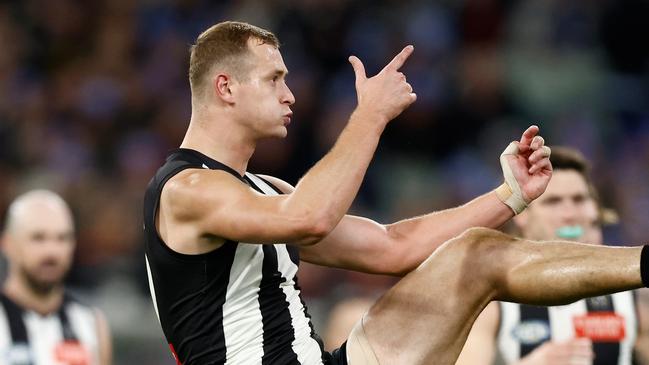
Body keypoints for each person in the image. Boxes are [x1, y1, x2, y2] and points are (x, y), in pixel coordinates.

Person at [143, 21, 649, 365]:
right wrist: (369, 116)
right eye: (274, 78)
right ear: (226, 88)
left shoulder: (261, 192)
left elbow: (393, 247)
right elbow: (310, 218)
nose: (290, 93)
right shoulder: (186, 189)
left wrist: (509, 196)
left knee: (478, 255)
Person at [455, 147, 649, 365]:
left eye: (578, 199)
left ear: (595, 210)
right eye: (553, 202)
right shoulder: (493, 298)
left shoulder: (634, 296)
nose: (570, 214)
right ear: (522, 215)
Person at [0, 190, 112, 365]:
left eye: (62, 238)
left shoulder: (91, 323)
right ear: (7, 243)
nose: (52, 251)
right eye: (38, 238)